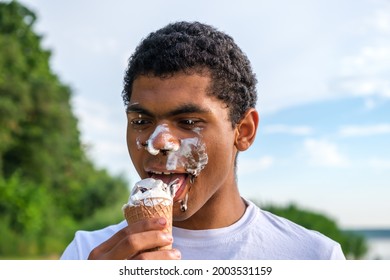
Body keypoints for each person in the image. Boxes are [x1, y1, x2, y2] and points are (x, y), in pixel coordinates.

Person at [60, 21, 345, 260]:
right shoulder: (87, 254)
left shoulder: (313, 257)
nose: (159, 142)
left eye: (188, 122)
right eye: (141, 122)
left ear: (243, 131)